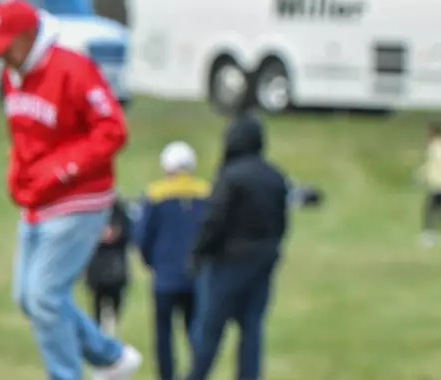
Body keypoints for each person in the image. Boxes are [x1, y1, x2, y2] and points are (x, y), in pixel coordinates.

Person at [0, 0, 143, 380]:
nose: (0, 56)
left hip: (81, 199)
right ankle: (109, 357)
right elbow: (23, 134)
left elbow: (113, 130)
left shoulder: (73, 68)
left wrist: (64, 168)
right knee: (27, 297)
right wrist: (17, 174)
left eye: (6, 46)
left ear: (26, 37)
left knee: (45, 297)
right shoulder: (11, 76)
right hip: (38, 200)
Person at [185, 113, 291, 380]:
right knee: (252, 328)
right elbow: (281, 222)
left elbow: (215, 219)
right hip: (262, 260)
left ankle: (197, 375)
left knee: (210, 330)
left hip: (227, 261)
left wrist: (199, 251)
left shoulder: (231, 177)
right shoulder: (275, 177)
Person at [135, 141, 209, 380]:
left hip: (165, 276)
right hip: (196, 275)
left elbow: (142, 235)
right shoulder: (205, 192)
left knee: (164, 333)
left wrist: (151, 261)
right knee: (195, 331)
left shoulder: (155, 194)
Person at [85, 198, 133, 334]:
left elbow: (129, 233)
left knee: (115, 303)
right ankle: (99, 335)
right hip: (97, 267)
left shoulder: (118, 208)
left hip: (116, 266)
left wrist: (116, 233)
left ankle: (110, 331)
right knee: (97, 305)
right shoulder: (92, 207)